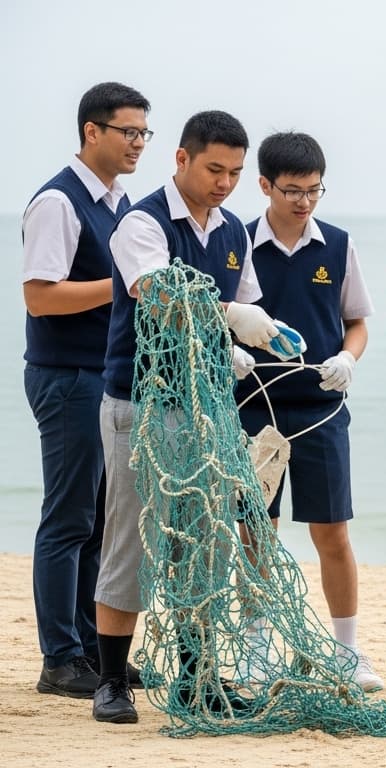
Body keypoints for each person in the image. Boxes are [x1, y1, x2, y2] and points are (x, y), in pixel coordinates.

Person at [92, 110, 288, 724]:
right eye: (213, 169)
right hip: (140, 404)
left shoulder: (232, 229)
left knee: (204, 547)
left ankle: (197, 678)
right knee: (131, 543)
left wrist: (258, 337)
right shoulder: (142, 221)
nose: (224, 183)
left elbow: (249, 304)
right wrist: (231, 317)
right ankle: (111, 682)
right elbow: (159, 294)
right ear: (181, 159)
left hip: (211, 410)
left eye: (234, 172)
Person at [233, 131, 381, 691]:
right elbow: (221, 313)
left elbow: (358, 321)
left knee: (332, 532)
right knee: (256, 533)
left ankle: (347, 651)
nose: (304, 201)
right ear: (265, 185)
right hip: (253, 409)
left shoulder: (338, 244)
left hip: (322, 409)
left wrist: (348, 356)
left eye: (314, 191)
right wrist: (235, 354)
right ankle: (254, 646)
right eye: (292, 190)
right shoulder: (237, 240)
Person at [22, 82, 151, 699]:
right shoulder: (58, 201)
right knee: (69, 518)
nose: (138, 144)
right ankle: (60, 659)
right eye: (128, 131)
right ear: (91, 132)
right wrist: (122, 281)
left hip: (100, 378)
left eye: (144, 133)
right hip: (66, 374)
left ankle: (97, 654)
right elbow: (40, 297)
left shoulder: (120, 202)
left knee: (102, 521)